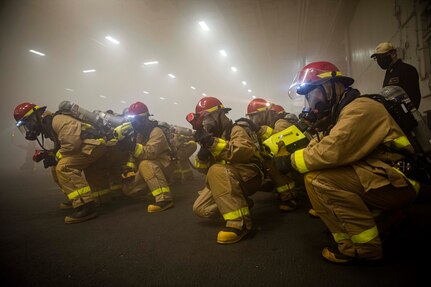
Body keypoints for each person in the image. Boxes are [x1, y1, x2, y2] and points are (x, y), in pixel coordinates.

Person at [275, 61, 419, 264]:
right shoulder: (342, 112)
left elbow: (331, 151)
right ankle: (379, 221)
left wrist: (290, 161)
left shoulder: (360, 109)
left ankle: (364, 247)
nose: (311, 102)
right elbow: (322, 145)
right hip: (386, 175)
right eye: (308, 98)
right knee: (320, 175)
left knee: (318, 179)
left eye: (313, 94)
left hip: (400, 181)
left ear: (331, 87)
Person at [13, 102, 121, 224]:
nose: (29, 128)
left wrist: (55, 158)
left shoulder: (57, 120)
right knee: (57, 167)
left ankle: (86, 205)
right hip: (91, 146)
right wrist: (48, 154)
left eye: (27, 124)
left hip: (94, 145)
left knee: (64, 167)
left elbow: (71, 144)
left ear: (34, 117)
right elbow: (64, 145)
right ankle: (98, 199)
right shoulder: (49, 124)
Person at [189, 97, 263, 244]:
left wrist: (212, 143)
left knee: (216, 169)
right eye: (203, 120)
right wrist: (203, 157)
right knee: (200, 208)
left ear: (220, 114)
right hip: (225, 179)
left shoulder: (236, 129)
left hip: (248, 176)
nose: (205, 123)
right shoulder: (211, 136)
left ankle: (240, 224)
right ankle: (242, 203)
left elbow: (243, 151)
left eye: (207, 118)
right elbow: (203, 169)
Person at [116, 101, 175, 212]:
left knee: (146, 164)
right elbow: (134, 154)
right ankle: (149, 190)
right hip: (150, 168)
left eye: (135, 120)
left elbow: (150, 153)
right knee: (128, 190)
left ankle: (164, 199)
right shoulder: (139, 133)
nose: (133, 123)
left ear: (144, 118)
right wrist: (130, 168)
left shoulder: (156, 131)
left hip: (165, 165)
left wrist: (132, 146)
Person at [243, 98, 300, 211]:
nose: (252, 119)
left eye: (255, 115)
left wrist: (259, 129)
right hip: (286, 163)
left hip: (292, 163)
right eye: (250, 117)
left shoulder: (280, 121)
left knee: (269, 162)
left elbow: (280, 138)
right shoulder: (265, 125)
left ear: (266, 112)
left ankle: (290, 196)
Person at [371, 42, 421, 109]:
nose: (379, 60)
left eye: (381, 57)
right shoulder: (389, 73)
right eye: (377, 58)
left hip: (405, 115)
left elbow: (414, 97)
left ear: (393, 53)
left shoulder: (407, 70)